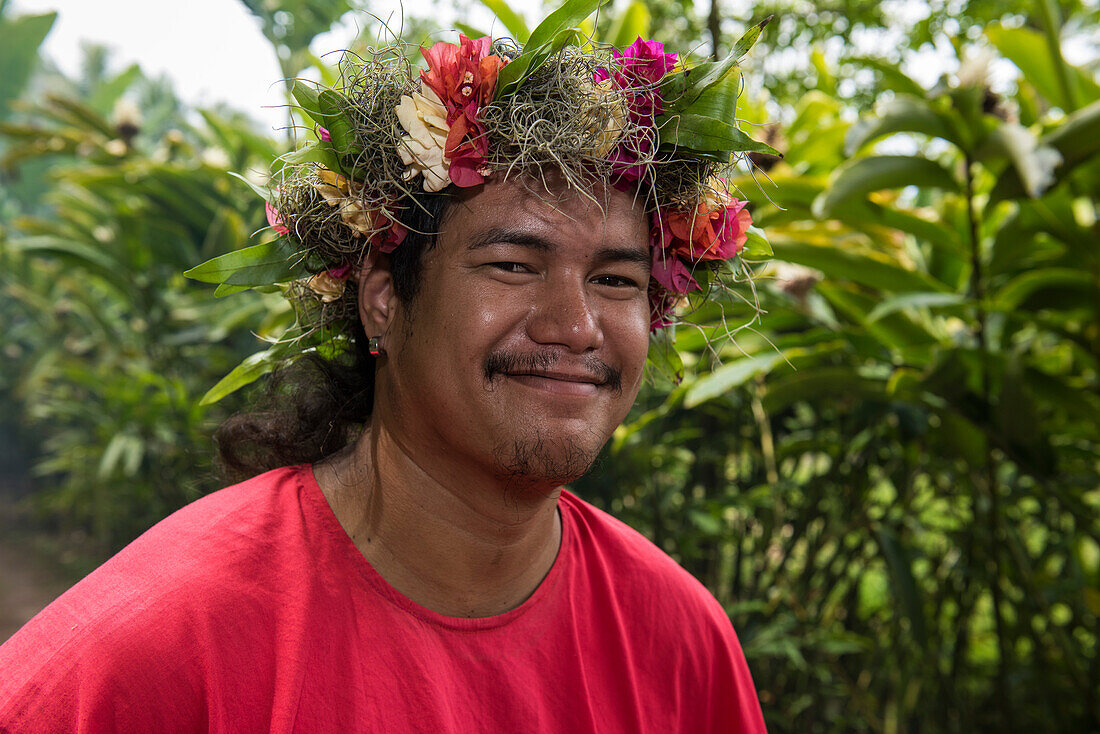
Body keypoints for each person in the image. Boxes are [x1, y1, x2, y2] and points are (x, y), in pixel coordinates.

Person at [0, 5, 772, 731]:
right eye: (511, 264)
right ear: (382, 300)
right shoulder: (165, 640)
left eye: (615, 281)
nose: (575, 326)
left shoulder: (679, 643)